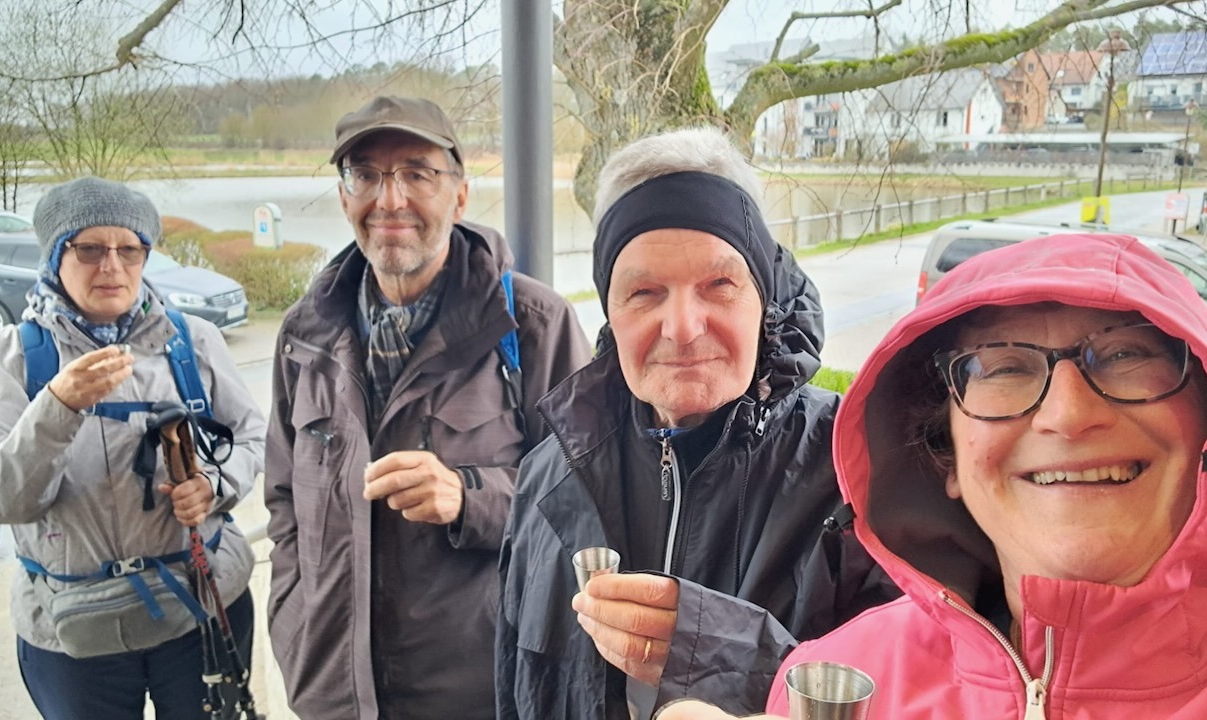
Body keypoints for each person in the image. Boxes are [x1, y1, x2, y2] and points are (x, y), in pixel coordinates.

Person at [655, 232, 1207, 720]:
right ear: (948, 456)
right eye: (1004, 367)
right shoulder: (838, 679)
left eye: (1124, 354)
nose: (1068, 413)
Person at [495, 127, 895, 720]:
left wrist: (730, 657)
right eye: (644, 292)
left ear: (765, 299)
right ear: (610, 312)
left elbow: (929, 689)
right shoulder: (546, 481)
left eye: (719, 285)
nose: (682, 327)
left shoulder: (860, 472)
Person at [264, 95, 592, 719]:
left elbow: (588, 497)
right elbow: (284, 503)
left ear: (460, 196)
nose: (390, 200)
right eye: (366, 175)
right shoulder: (304, 336)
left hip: (479, 696)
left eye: (417, 173)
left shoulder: (533, 324)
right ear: (344, 197)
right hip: (335, 696)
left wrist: (469, 497)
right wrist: (294, 626)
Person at [0, 176, 265, 719]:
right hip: (73, 631)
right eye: (89, 249)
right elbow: (1, 499)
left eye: (130, 249)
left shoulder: (192, 340)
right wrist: (58, 406)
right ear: (55, 256)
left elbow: (251, 436)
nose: (112, 266)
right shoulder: (12, 357)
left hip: (199, 607)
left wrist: (214, 486)